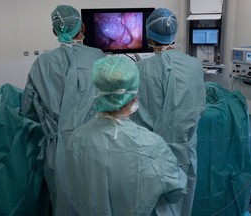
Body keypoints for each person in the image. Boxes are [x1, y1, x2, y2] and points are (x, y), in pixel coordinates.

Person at [57, 56, 187, 216]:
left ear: (98, 93)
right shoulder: (151, 145)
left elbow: (74, 189)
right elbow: (176, 190)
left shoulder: (76, 139)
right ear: (134, 98)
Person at [21, 5, 105, 214]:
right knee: (95, 198)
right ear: (83, 27)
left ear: (54, 31)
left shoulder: (42, 63)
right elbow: (109, 102)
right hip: (94, 146)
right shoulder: (98, 57)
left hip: (57, 151)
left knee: (62, 200)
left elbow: (28, 111)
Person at [131, 8, 206, 216]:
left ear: (148, 35)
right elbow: (199, 107)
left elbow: (134, 115)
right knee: (182, 197)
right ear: (174, 34)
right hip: (184, 150)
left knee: (153, 203)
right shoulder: (194, 66)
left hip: (150, 152)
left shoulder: (140, 70)